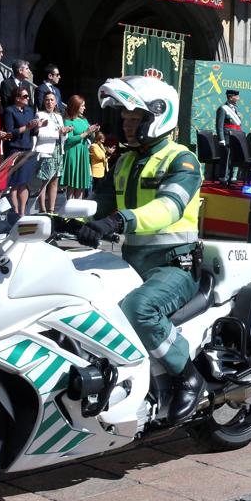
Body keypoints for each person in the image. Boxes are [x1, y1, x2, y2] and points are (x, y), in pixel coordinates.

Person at [77, 75, 205, 424]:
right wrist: (57, 220)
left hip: (174, 268)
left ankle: (187, 376)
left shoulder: (183, 161)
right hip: (133, 264)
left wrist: (118, 221)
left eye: (136, 120)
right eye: (126, 119)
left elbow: (168, 208)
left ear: (158, 117)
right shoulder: (125, 161)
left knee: (139, 309)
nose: (128, 126)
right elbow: (99, 204)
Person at [2, 85, 42, 214]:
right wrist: (27, 127)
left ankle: (23, 211)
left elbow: (32, 132)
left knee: (24, 182)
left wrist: (37, 127)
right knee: (15, 182)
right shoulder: (9, 111)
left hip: (27, 148)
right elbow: (9, 132)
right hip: (14, 148)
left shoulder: (29, 111)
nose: (27, 98)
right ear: (17, 98)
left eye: (28, 96)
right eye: (24, 96)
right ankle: (15, 210)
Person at [34, 91, 70, 213]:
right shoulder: (40, 115)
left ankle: (51, 208)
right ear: (44, 102)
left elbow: (63, 135)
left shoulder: (59, 116)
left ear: (56, 103)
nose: (49, 102)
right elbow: (41, 134)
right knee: (45, 180)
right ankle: (42, 208)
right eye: (47, 100)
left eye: (52, 100)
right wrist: (57, 133)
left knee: (55, 181)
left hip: (59, 151)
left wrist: (65, 133)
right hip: (48, 151)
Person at [61, 94, 97, 201]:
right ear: (75, 106)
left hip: (83, 151)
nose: (84, 108)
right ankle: (70, 206)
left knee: (81, 181)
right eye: (82, 106)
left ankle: (78, 207)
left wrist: (93, 131)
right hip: (73, 152)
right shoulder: (68, 121)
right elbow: (69, 140)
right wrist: (86, 133)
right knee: (72, 182)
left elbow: (91, 136)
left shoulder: (84, 120)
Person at [214, 89, 243, 183]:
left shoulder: (235, 108)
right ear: (230, 97)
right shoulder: (223, 108)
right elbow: (219, 125)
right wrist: (221, 139)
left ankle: (232, 177)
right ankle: (224, 177)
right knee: (226, 158)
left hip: (236, 137)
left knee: (234, 157)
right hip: (227, 137)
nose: (238, 98)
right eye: (236, 96)